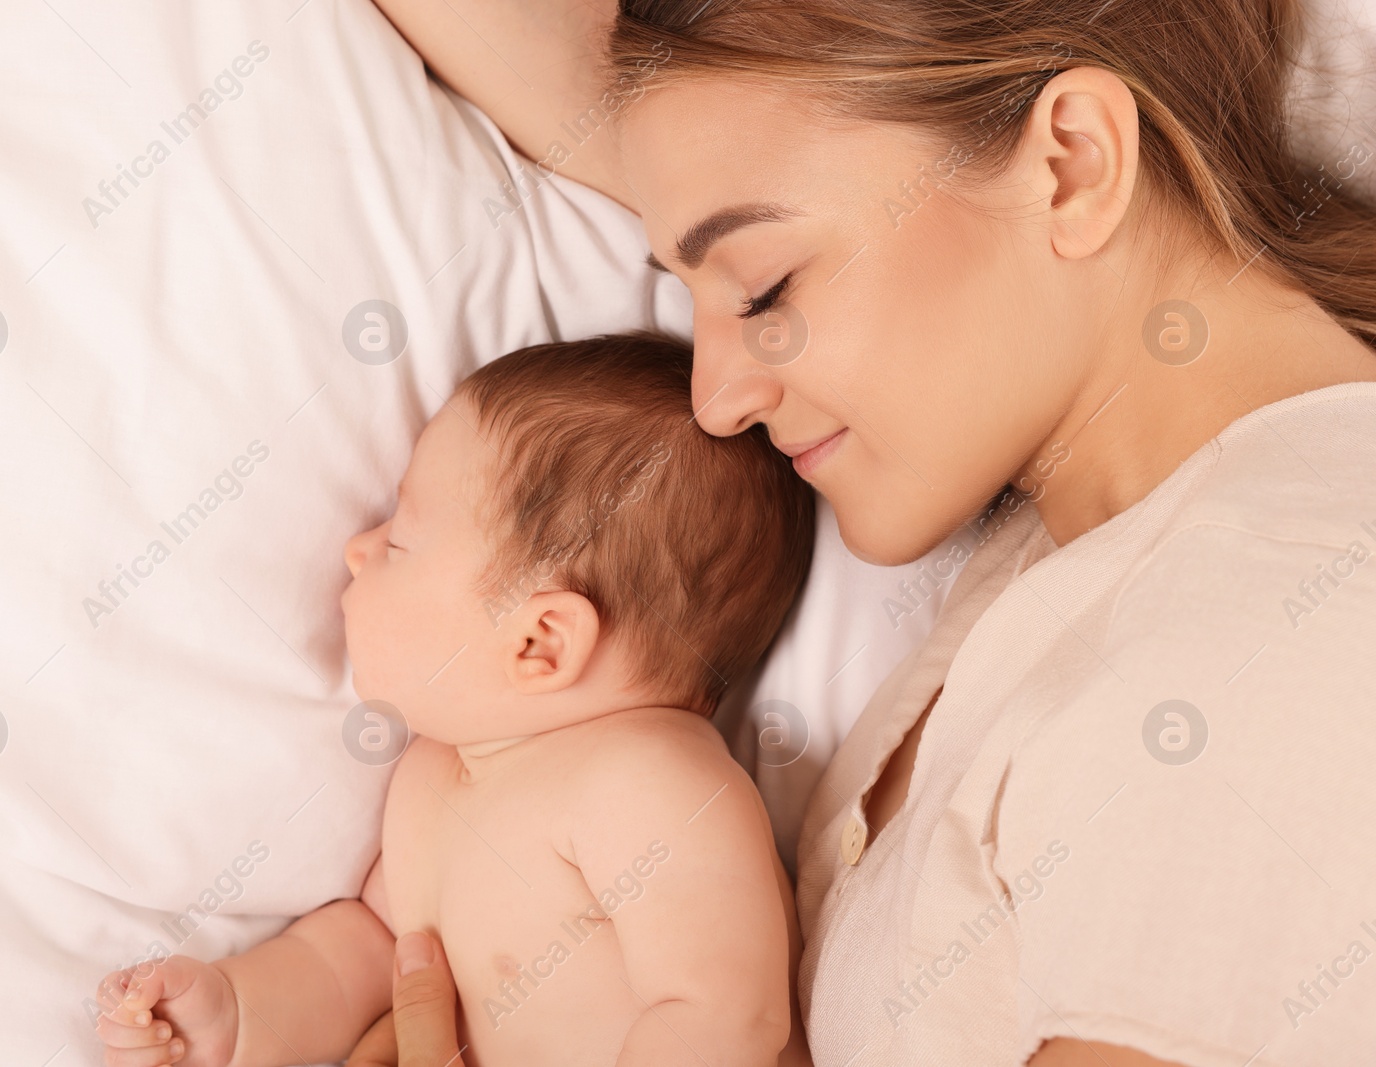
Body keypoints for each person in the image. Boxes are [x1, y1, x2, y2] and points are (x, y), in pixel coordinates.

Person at [370, 0, 1376, 1064]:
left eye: (765, 288)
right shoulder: (1127, 521)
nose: (714, 401)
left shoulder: (1272, 648)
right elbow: (682, 123)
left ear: (1073, 165)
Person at [91, 335, 816, 1066]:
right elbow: (369, 959)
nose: (358, 549)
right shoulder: (429, 780)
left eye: (400, 539)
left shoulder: (650, 780)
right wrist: (236, 1013)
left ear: (540, 642)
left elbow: (726, 1015)